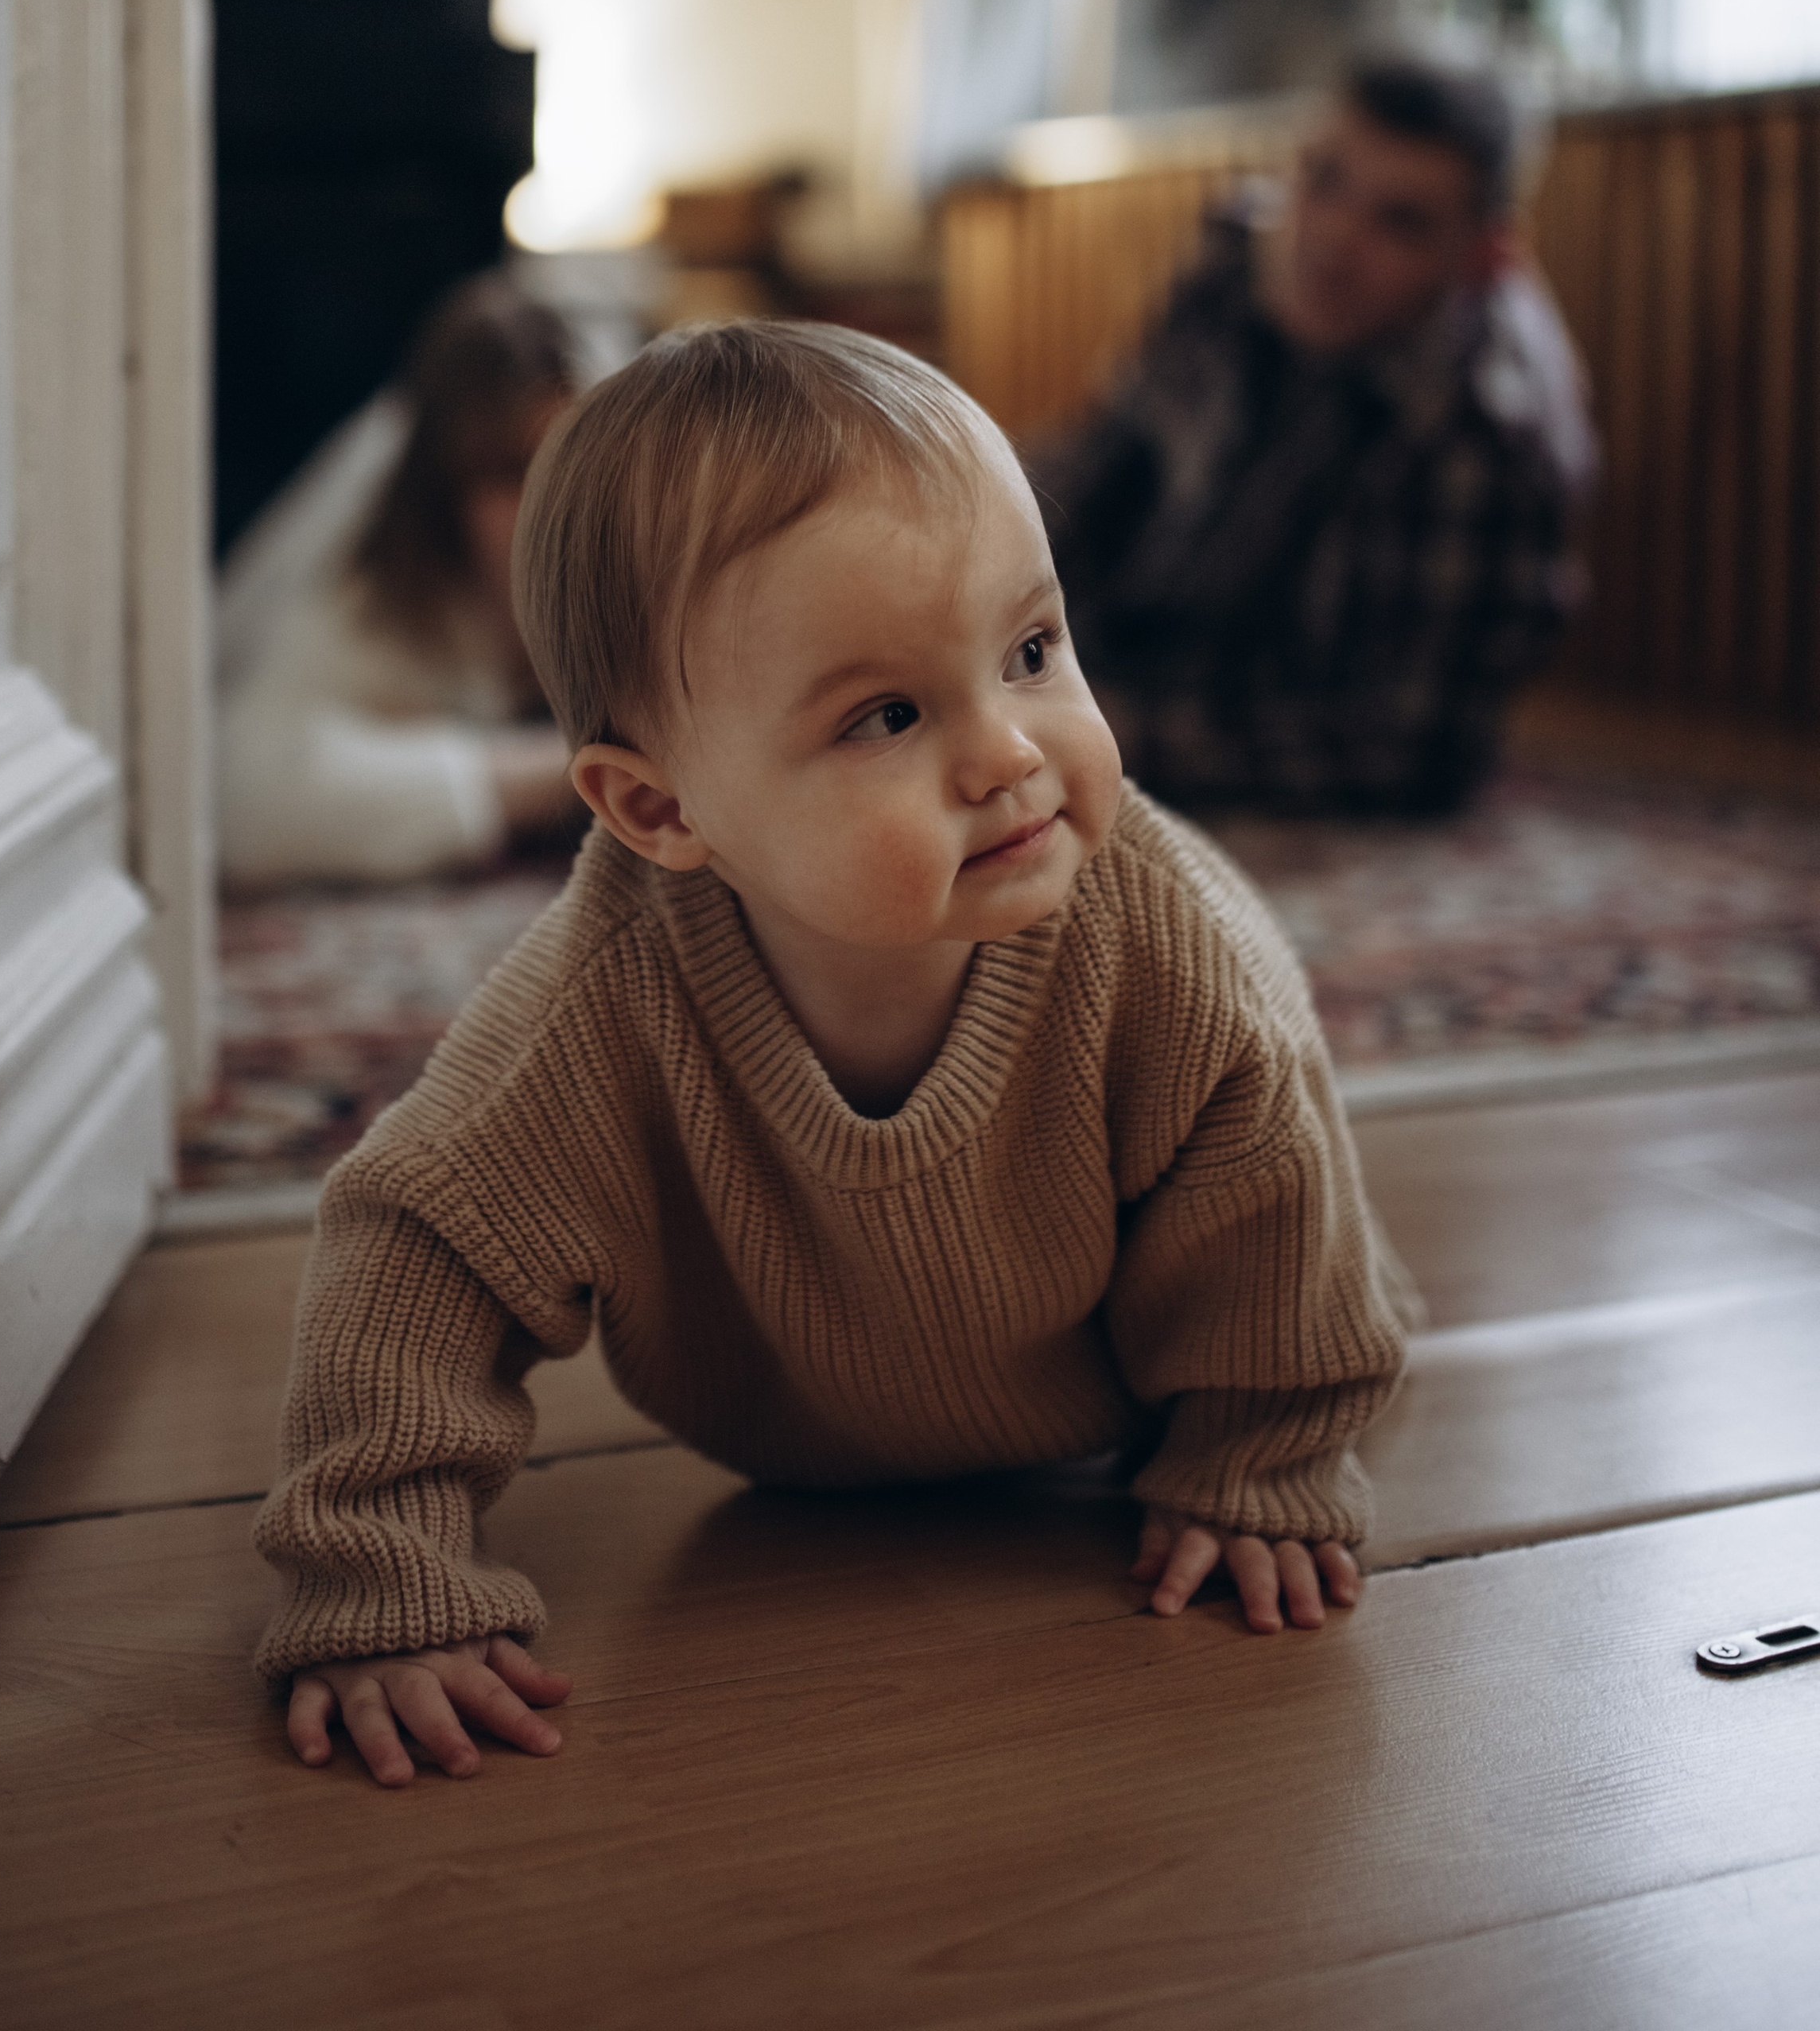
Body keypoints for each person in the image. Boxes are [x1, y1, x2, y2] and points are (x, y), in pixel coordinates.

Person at [250, 320, 1411, 1785]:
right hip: (781, 1446)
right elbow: (417, 1242)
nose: (1009, 752)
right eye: (887, 715)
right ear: (660, 812)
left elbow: (1276, 1209)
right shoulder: (603, 1003)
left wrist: (1262, 1464)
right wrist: (378, 1577)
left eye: (1033, 649)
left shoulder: (1165, 949)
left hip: (1119, 1417)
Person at [1039, 55, 1597, 816]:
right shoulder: (1236, 253)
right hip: (1137, 642)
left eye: (1399, 221)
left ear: (1481, 257)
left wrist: (1109, 731)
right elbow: (1109, 456)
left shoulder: (1490, 430)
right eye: (1322, 178)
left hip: (1259, 702)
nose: (1332, 238)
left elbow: (1413, 747)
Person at [216, 276, 580, 887]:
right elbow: (242, 799)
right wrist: (553, 776)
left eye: (569, 463)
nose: (552, 505)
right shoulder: (366, 581)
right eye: (512, 476)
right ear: (444, 495)